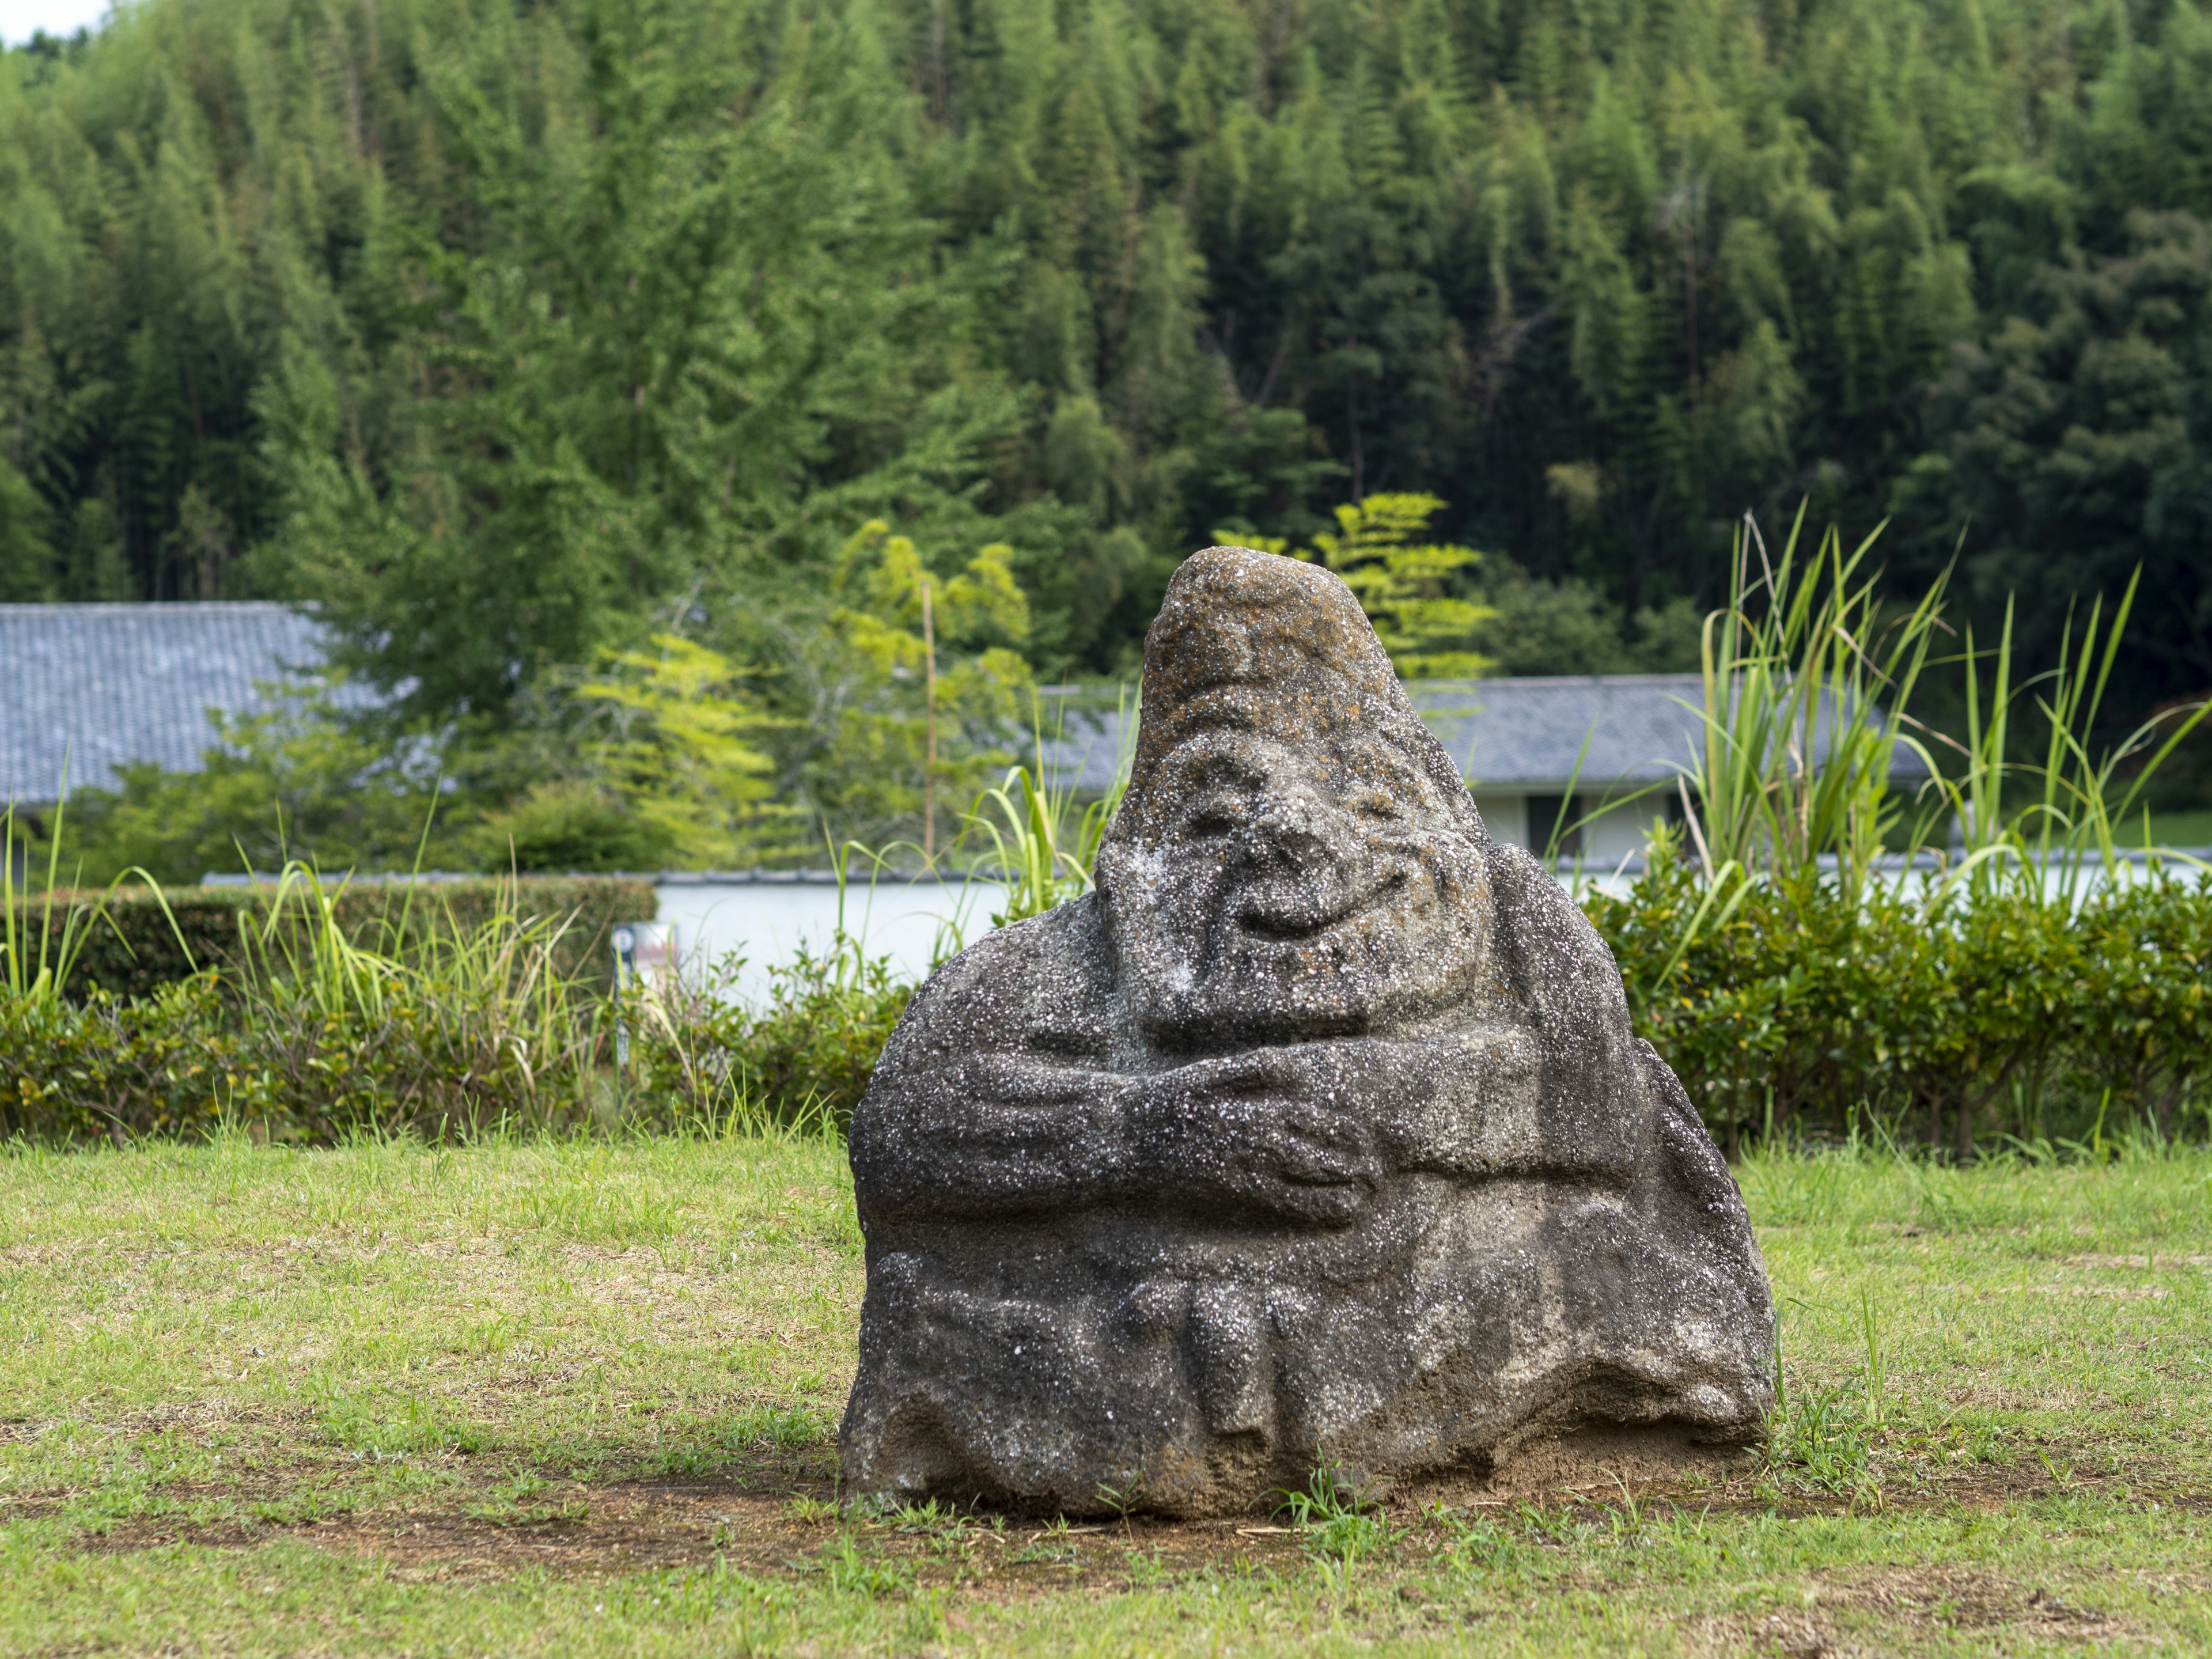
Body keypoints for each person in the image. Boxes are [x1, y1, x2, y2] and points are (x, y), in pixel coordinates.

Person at [841, 546, 1773, 1516]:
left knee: (1608, 1271)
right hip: (1121, 1340)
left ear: (1428, 796)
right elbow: (900, 1136)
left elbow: (1604, 1113)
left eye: (1363, 798)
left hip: (1451, 1316)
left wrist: (1377, 1102)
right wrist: (1147, 1131)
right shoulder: (1065, 964)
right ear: (1146, 835)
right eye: (1219, 806)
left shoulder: (1519, 923)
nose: (1291, 835)